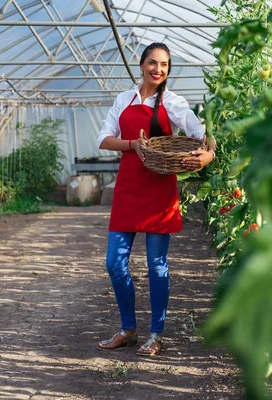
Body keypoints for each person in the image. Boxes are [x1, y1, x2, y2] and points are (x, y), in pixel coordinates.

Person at [95, 42, 216, 356]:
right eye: (152, 63)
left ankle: (156, 334)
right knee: (114, 264)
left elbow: (202, 135)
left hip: (160, 191)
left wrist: (207, 156)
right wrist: (133, 144)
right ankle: (128, 329)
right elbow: (103, 139)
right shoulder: (124, 100)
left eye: (164, 65)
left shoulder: (174, 103)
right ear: (141, 64)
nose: (158, 69)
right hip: (128, 189)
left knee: (157, 266)